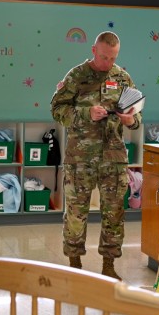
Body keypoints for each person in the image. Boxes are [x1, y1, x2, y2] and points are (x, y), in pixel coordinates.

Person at [50, 31, 142, 280]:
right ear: (93, 50)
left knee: (114, 215)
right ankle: (75, 262)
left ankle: (109, 265)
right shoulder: (77, 76)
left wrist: (131, 119)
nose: (108, 63)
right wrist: (85, 114)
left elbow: (137, 115)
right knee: (76, 214)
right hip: (80, 158)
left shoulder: (122, 77)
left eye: (113, 58)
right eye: (104, 57)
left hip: (113, 158)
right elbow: (57, 109)